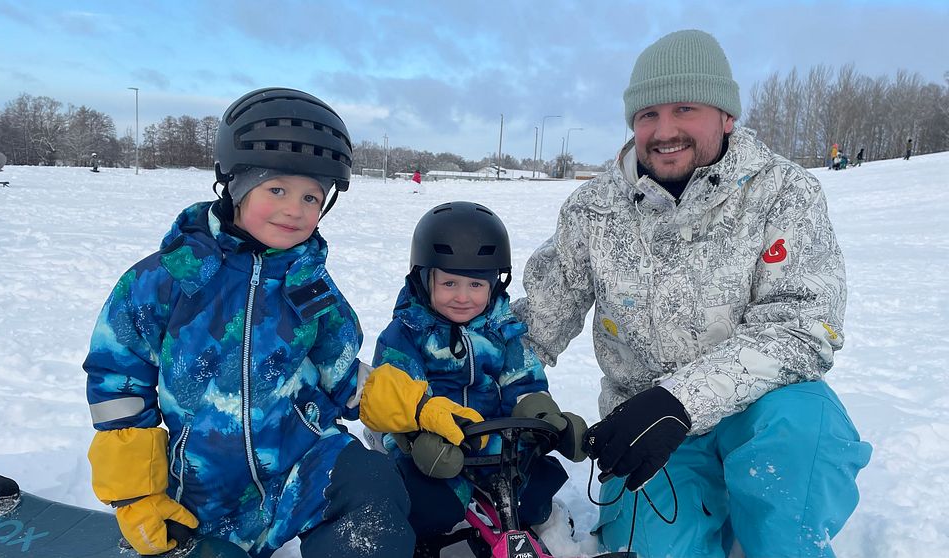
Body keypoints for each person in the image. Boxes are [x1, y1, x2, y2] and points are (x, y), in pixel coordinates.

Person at [512, 29, 872, 558]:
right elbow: (536, 322)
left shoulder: (785, 193)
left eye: (685, 108)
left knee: (801, 429)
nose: (665, 130)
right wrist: (443, 382)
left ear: (726, 115)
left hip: (758, 414)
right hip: (645, 433)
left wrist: (681, 399)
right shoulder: (593, 210)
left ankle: (769, 533)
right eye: (647, 115)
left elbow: (804, 328)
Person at [83, 87, 414, 558]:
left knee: (374, 488)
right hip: (200, 486)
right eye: (276, 189)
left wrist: (417, 409)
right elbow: (118, 382)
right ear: (235, 184)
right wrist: (137, 490)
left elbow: (341, 371)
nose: (294, 209)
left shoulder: (311, 286)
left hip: (299, 465)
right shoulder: (166, 279)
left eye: (311, 197)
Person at [359, 201, 588, 557]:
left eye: (475, 284)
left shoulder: (502, 331)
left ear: (495, 284)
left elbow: (522, 380)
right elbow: (396, 403)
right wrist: (414, 442)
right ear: (424, 278)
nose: (463, 297)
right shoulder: (405, 335)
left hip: (494, 444)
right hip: (434, 447)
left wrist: (543, 417)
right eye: (449, 282)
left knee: (537, 485)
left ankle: (536, 519)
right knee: (430, 503)